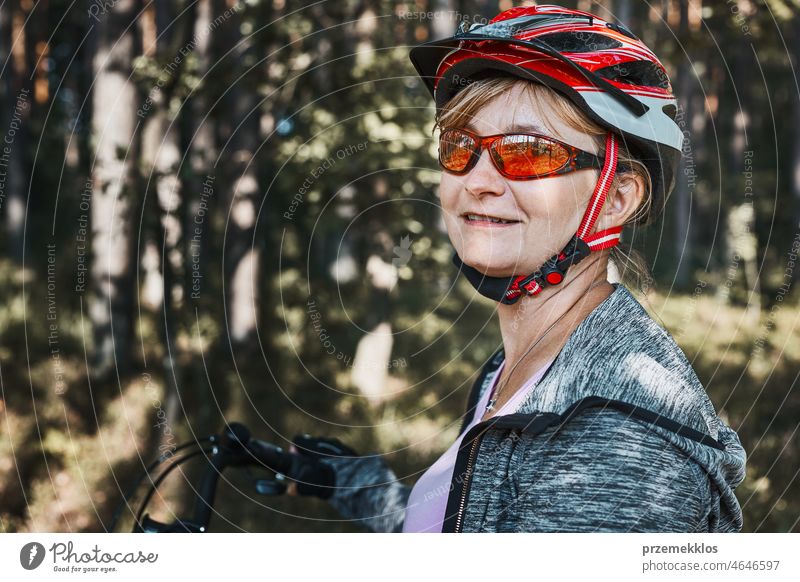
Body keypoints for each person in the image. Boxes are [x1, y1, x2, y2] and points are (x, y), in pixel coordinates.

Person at [286, 4, 746, 533]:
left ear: (616, 198)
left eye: (528, 152)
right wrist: (356, 480)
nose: (477, 180)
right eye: (461, 147)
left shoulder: (614, 434)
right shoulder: (520, 372)